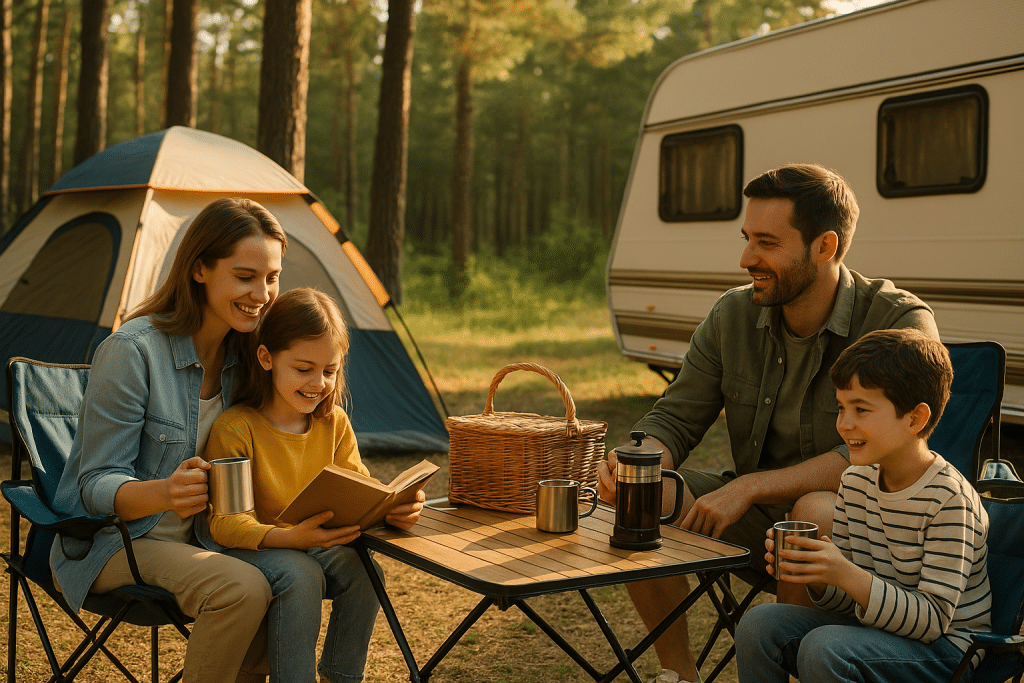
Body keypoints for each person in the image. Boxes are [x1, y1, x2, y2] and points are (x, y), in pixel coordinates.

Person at [596, 163, 941, 683]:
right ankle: (679, 675)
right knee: (643, 492)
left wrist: (753, 487)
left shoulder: (897, 323)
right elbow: (676, 415)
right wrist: (638, 461)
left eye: (766, 242)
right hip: (758, 518)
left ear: (824, 247)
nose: (746, 258)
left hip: (874, 532)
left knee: (811, 513)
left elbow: (878, 456)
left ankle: (795, 668)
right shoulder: (732, 316)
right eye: (746, 239)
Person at [50, 197, 286, 682]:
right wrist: (164, 492)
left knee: (295, 575)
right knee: (242, 587)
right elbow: (92, 487)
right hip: (118, 541)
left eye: (272, 277)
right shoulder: (133, 352)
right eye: (245, 276)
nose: (261, 293)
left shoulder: (251, 357)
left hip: (212, 538)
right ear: (200, 269)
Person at [735, 328, 992, 683]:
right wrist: (821, 578)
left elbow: (932, 621)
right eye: (841, 407)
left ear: (915, 418)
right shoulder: (856, 482)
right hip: (876, 628)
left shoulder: (949, 501)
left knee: (824, 647)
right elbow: (850, 602)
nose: (844, 423)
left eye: (861, 409)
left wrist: (846, 573)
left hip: (946, 651)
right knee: (759, 623)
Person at [205, 287, 426, 683]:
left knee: (366, 569)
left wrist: (393, 507)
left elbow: (357, 483)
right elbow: (225, 524)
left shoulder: (333, 423)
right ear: (266, 358)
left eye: (330, 371)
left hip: (315, 543)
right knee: (301, 572)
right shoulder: (236, 428)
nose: (318, 383)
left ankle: (342, 676)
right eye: (303, 369)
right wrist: (293, 538)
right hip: (253, 549)